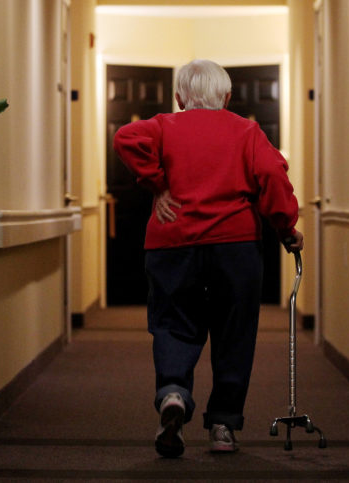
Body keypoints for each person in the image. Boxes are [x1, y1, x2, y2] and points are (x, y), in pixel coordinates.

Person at [113, 59, 303, 458]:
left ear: (180, 97)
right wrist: (286, 228)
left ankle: (174, 394)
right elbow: (272, 174)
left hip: (171, 244)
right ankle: (222, 426)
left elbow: (125, 138)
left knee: (172, 324)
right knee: (234, 333)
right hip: (234, 247)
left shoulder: (164, 125)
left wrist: (157, 184)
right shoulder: (247, 131)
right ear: (228, 97)